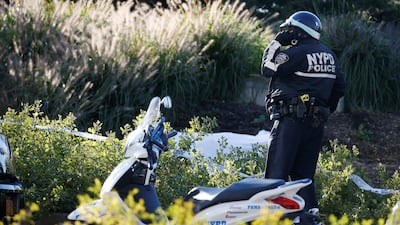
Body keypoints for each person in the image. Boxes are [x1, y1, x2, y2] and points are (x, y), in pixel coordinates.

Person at [260, 11, 346, 215]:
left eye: (289, 30)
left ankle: (269, 219)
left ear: (298, 32)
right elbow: (340, 87)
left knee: (276, 175)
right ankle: (310, 218)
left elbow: (267, 68)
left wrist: (276, 42)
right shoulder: (330, 55)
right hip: (315, 126)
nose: (287, 34)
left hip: (290, 123)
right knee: (304, 178)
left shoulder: (295, 54)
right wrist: (324, 110)